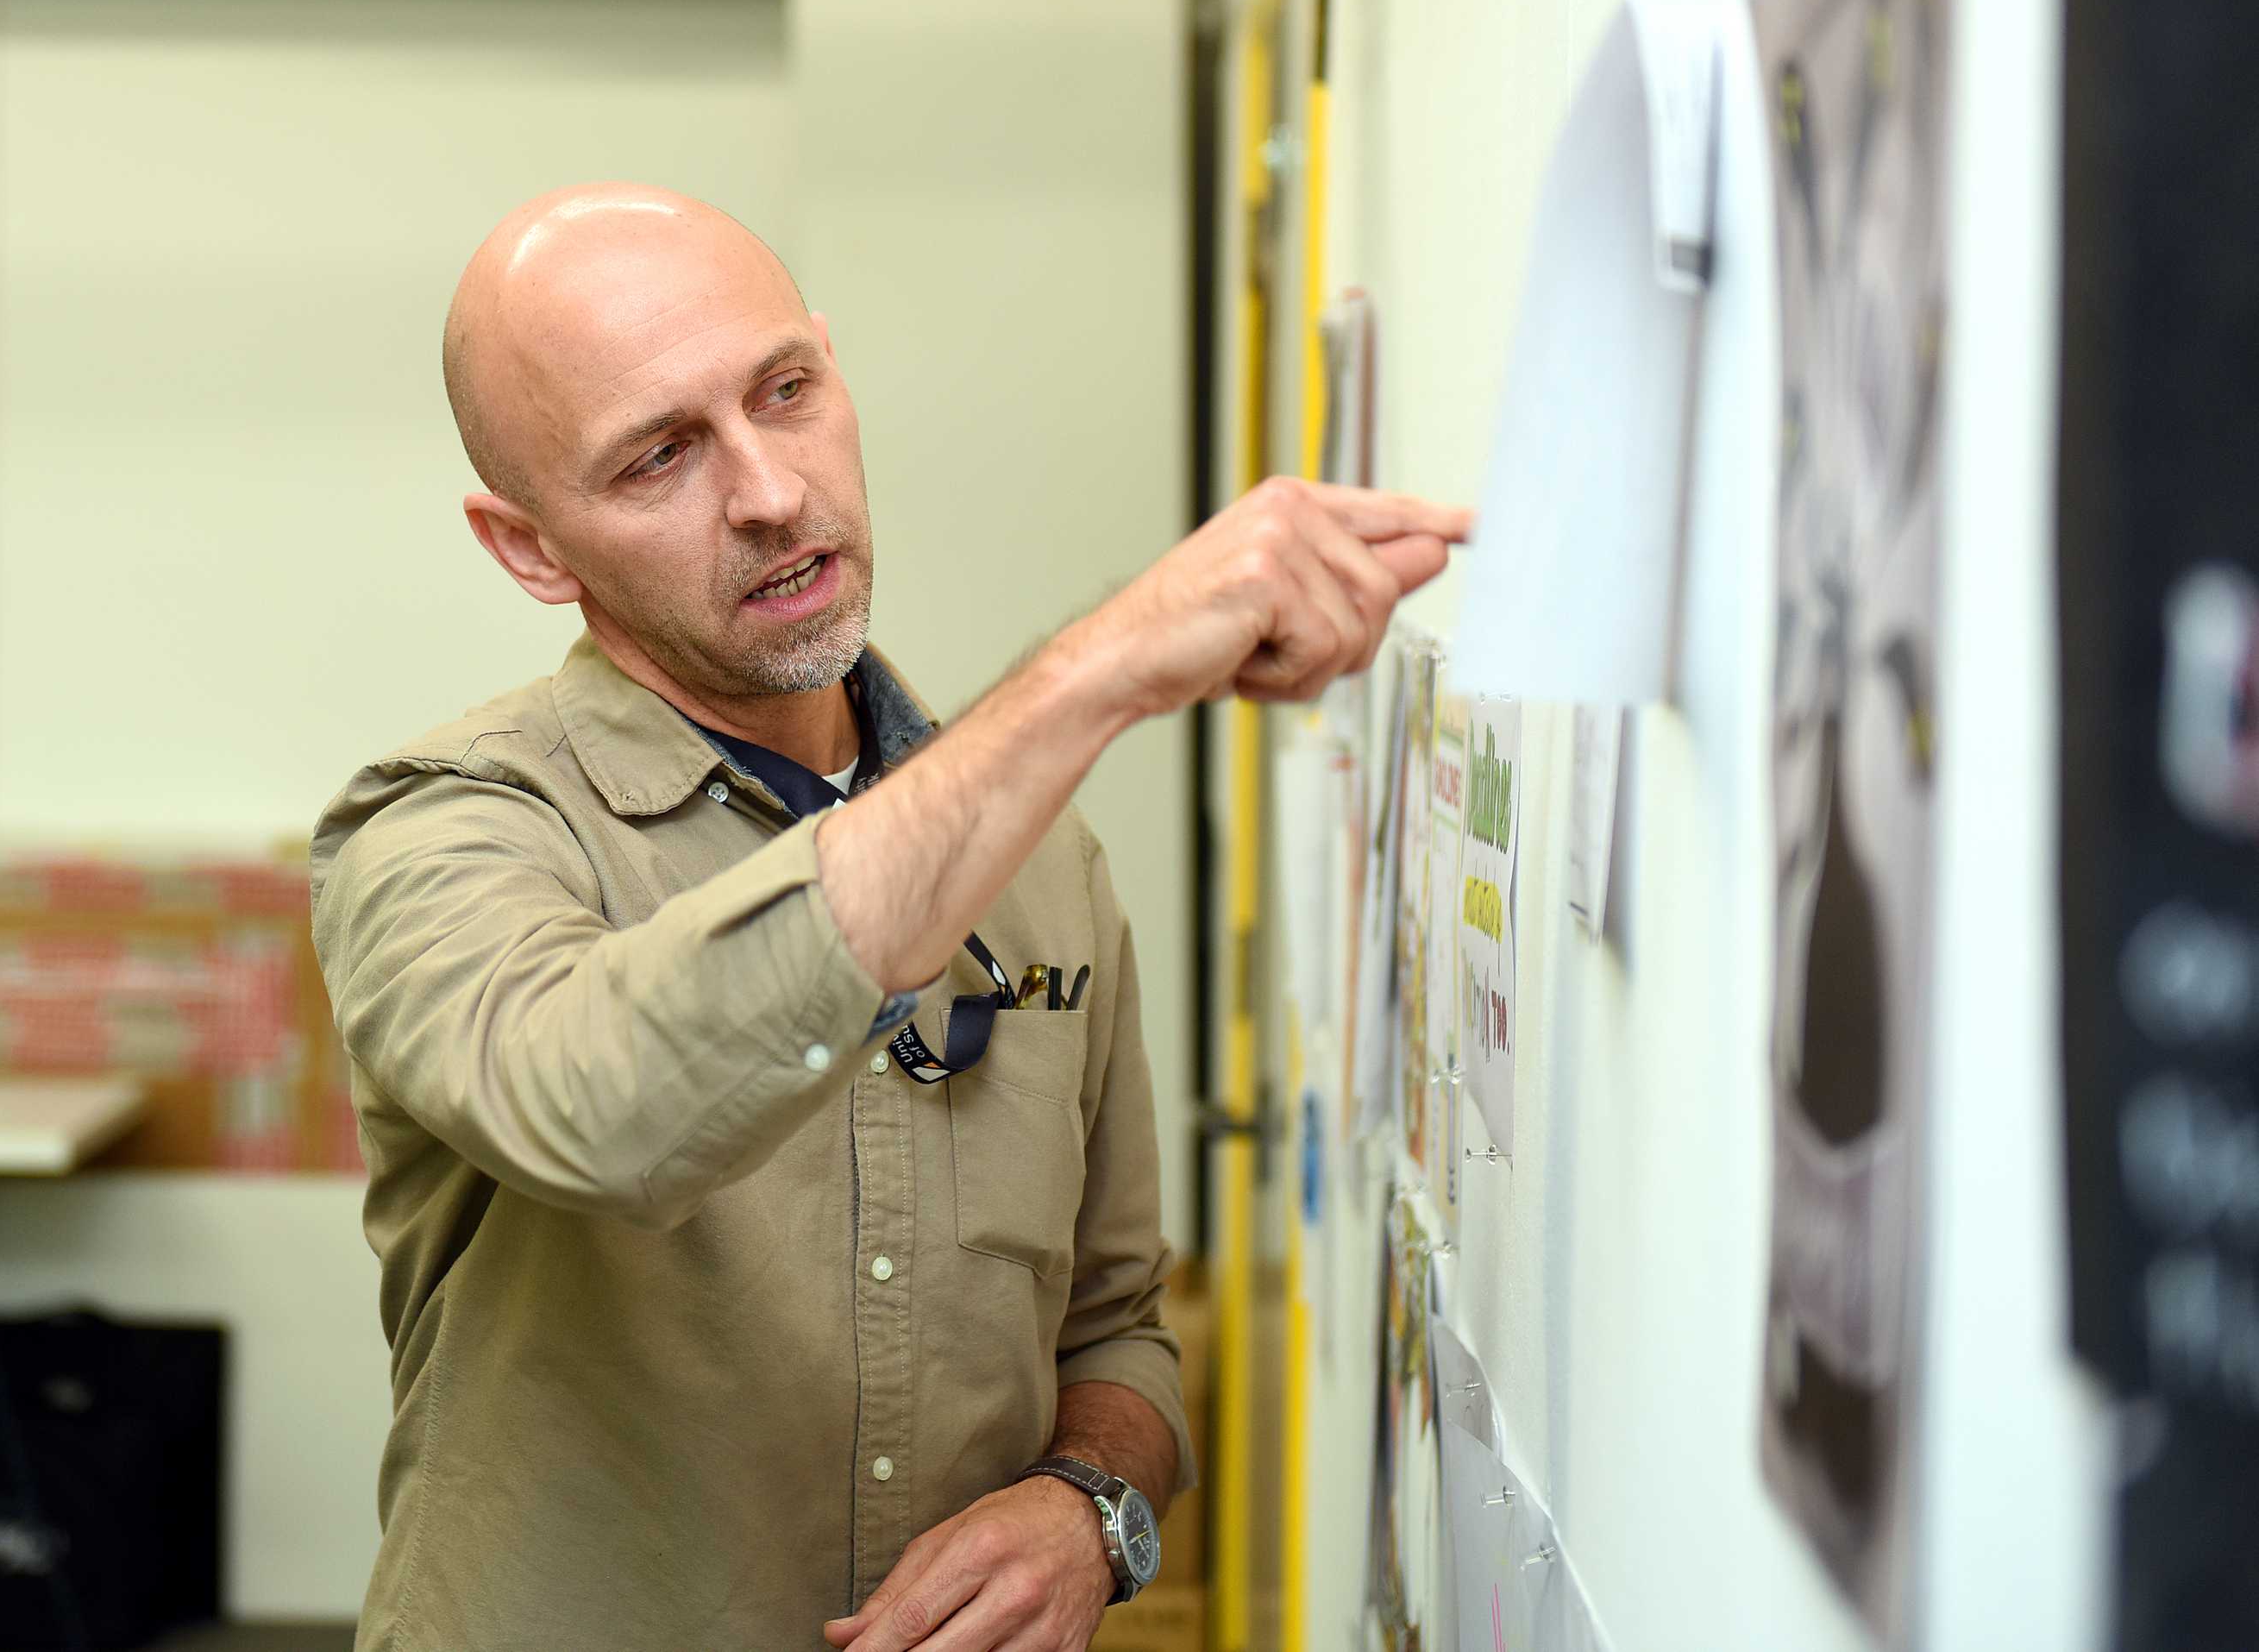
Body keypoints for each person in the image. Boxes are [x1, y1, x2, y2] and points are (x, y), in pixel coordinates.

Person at [309, 183, 1470, 1651]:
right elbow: (598, 1100)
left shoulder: (1044, 863)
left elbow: (1119, 1331)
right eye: (660, 456)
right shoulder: (441, 833)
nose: (770, 492)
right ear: (531, 546)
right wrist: (1098, 670)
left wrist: (1086, 1504)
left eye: (784, 393)